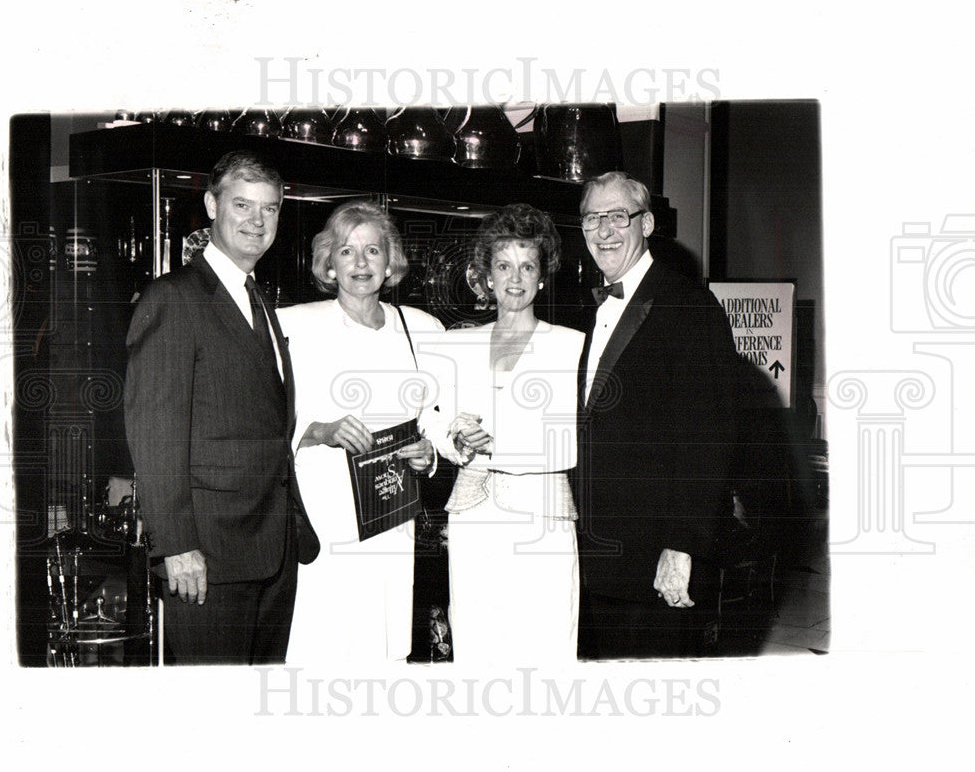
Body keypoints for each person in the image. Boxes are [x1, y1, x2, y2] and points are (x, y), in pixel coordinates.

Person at [124, 150, 318, 665]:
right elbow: (155, 434)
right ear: (211, 205)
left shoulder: (258, 300)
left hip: (271, 552)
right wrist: (176, 545)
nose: (257, 221)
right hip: (206, 558)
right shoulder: (174, 298)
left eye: (270, 209)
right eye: (242, 205)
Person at [575, 171, 742, 659]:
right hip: (596, 552)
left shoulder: (688, 304)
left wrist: (683, 545)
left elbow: (710, 437)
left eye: (617, 216)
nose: (604, 230)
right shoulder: (584, 311)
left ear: (646, 223)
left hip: (654, 556)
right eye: (592, 218)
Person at [277, 200, 443, 667]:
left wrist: (426, 453)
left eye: (373, 250)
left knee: (383, 648)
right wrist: (323, 430)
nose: (361, 264)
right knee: (321, 646)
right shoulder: (295, 324)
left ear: (390, 262)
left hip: (392, 518)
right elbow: (269, 422)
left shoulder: (423, 329)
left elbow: (435, 418)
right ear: (328, 263)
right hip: (324, 518)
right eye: (346, 252)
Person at [429, 204, 584, 665]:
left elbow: (566, 438)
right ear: (486, 277)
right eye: (503, 265)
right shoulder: (457, 343)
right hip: (473, 516)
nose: (515, 278)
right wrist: (453, 437)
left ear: (543, 276)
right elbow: (429, 417)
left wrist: (491, 443)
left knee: (544, 644)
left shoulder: (571, 344)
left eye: (527, 265)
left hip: (542, 517)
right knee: (477, 640)